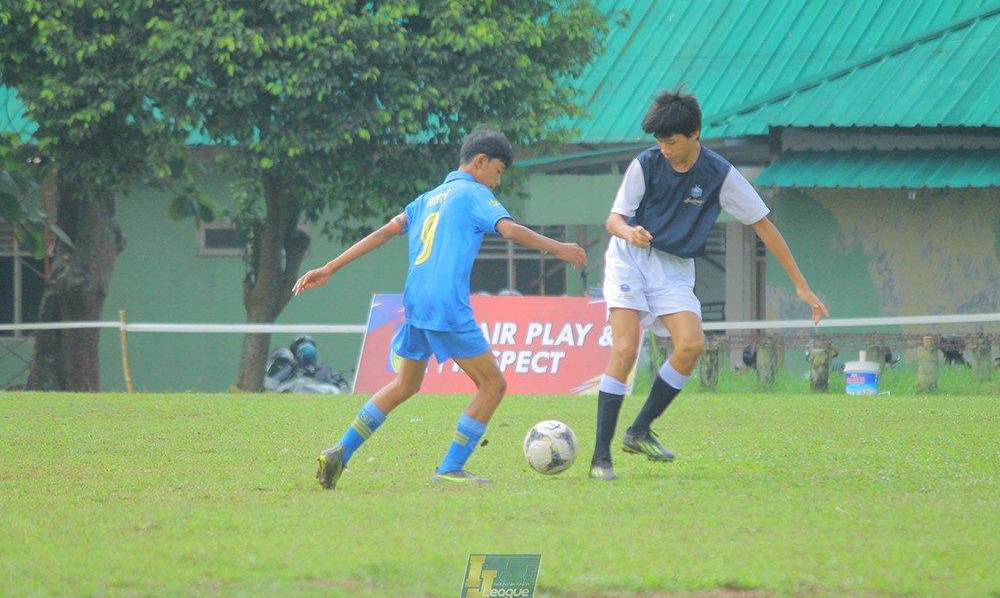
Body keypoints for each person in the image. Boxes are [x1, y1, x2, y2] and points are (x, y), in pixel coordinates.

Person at [293, 130, 587, 490]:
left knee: (405, 383)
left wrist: (330, 267)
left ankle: (341, 450)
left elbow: (383, 233)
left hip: (415, 300)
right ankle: (450, 468)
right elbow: (508, 230)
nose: (499, 180)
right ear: (481, 161)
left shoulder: (427, 198)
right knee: (493, 385)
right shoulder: (474, 192)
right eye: (499, 169)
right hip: (446, 303)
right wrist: (561, 249)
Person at [589, 87, 829, 481]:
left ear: (694, 133)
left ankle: (639, 430)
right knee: (626, 349)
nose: (663, 148)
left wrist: (801, 286)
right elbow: (614, 220)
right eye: (659, 140)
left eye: (671, 140)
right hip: (629, 259)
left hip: (674, 267)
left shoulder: (719, 174)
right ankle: (601, 458)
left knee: (691, 345)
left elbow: (764, 227)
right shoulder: (645, 164)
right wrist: (628, 232)